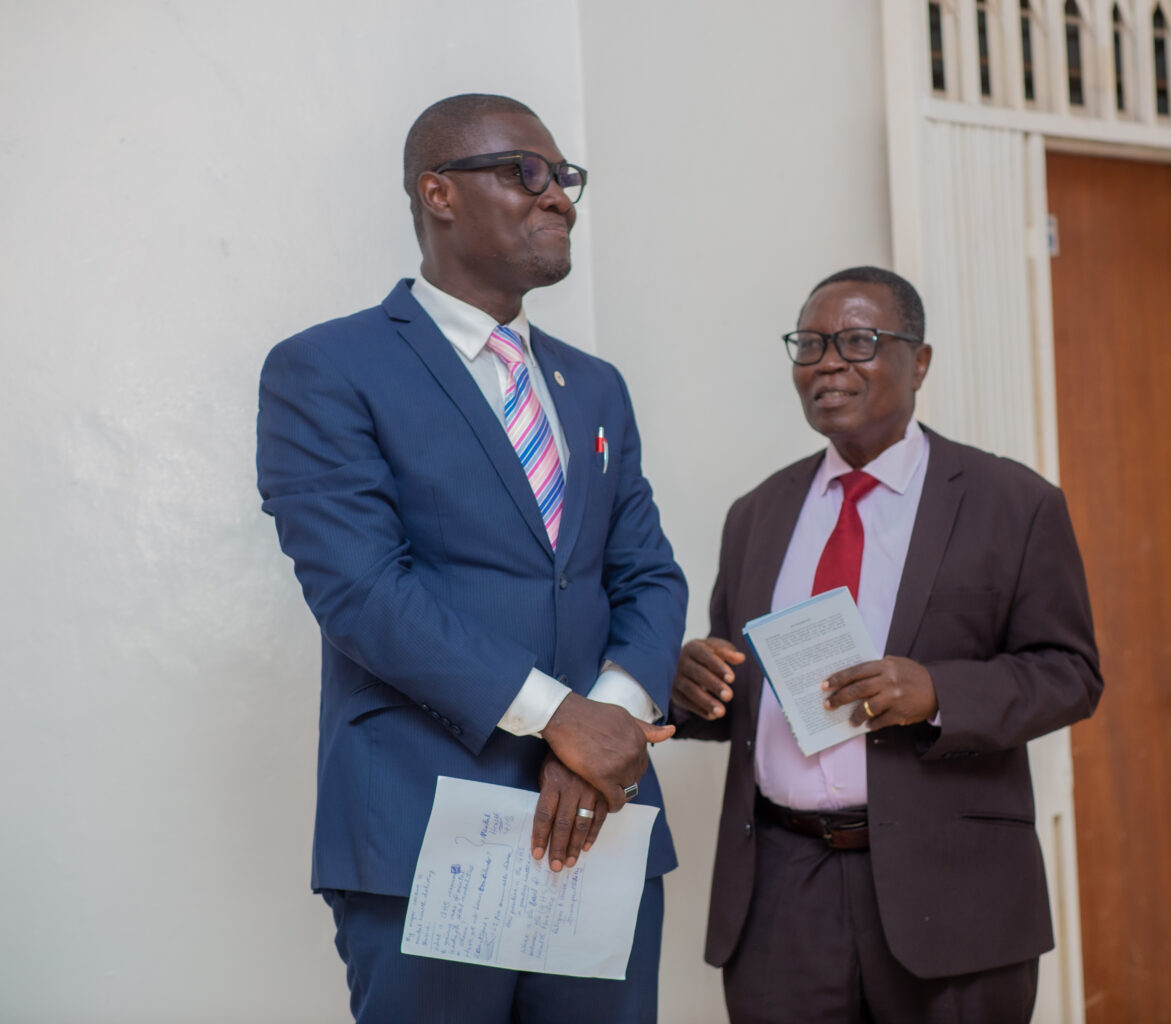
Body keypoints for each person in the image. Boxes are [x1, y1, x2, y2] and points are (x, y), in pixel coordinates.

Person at [256, 94, 686, 1024]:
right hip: (427, 830)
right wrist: (558, 716)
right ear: (438, 193)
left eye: (565, 178)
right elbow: (362, 590)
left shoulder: (595, 387)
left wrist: (605, 726)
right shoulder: (326, 369)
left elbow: (647, 574)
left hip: (603, 829)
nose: (558, 196)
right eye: (527, 172)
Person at [671, 266, 1103, 1022]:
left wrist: (938, 692)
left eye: (858, 342)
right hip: (782, 892)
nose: (827, 363)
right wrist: (690, 686)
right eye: (810, 344)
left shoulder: (1013, 503)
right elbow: (742, 696)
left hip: (952, 892)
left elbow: (1070, 673)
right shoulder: (757, 514)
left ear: (920, 361)